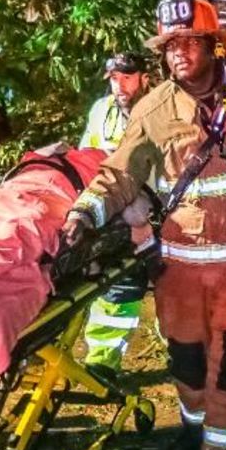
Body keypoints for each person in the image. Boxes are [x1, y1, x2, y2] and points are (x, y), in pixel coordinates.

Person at [61, 0, 226, 450]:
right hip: (183, 262)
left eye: (189, 42)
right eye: (170, 46)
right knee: (187, 358)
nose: (178, 54)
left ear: (213, 45)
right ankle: (195, 429)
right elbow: (120, 173)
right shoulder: (152, 108)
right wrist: (86, 212)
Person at [77, 52, 152, 377]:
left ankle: (190, 356)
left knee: (177, 292)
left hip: (158, 212)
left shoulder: (158, 109)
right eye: (114, 78)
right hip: (114, 213)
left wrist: (145, 219)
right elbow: (88, 158)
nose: (119, 85)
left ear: (143, 78)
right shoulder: (101, 111)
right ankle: (102, 361)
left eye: (126, 77)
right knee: (116, 286)